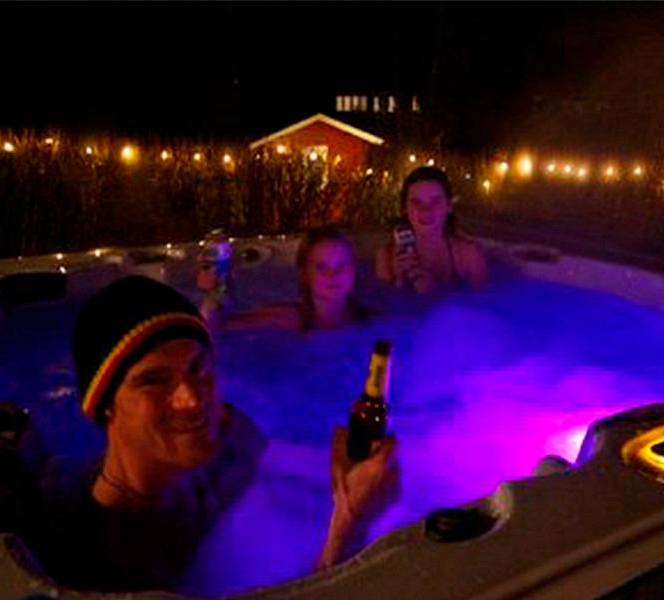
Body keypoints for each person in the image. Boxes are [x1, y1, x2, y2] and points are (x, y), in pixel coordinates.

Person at [39, 275, 397, 591]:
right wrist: (349, 523)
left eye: (198, 368)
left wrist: (349, 472)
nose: (192, 399)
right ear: (105, 406)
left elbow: (281, 462)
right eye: (153, 381)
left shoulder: (223, 436)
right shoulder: (111, 566)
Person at [202, 227, 370, 332]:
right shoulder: (289, 319)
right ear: (304, 274)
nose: (333, 275)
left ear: (353, 270)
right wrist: (213, 295)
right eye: (321, 267)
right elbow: (215, 329)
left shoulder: (369, 322)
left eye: (342, 265)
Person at [375, 166, 488, 293]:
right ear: (405, 208)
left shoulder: (469, 255)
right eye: (416, 202)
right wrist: (399, 281)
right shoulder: (386, 257)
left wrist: (434, 293)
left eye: (435, 202)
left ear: (449, 206)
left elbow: (484, 303)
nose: (426, 210)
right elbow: (384, 304)